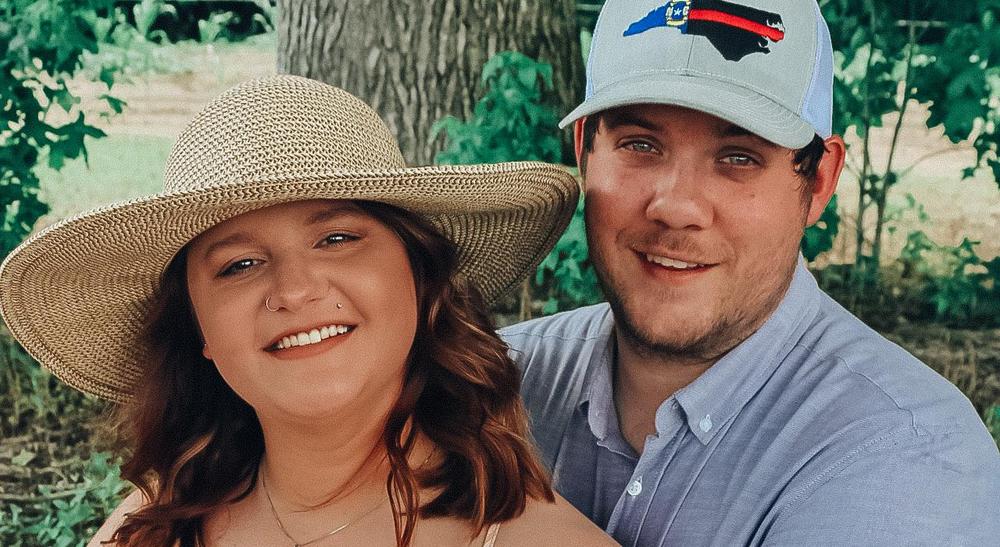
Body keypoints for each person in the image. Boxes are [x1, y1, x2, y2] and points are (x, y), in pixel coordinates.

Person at [0, 75, 616, 547]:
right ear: (198, 328)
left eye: (337, 238)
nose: (294, 291)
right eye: (239, 264)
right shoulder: (160, 516)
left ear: (420, 276)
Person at [500, 0, 1000, 545]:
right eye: (640, 145)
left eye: (738, 157)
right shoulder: (489, 381)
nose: (677, 207)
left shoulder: (908, 457)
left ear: (819, 182)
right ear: (584, 153)